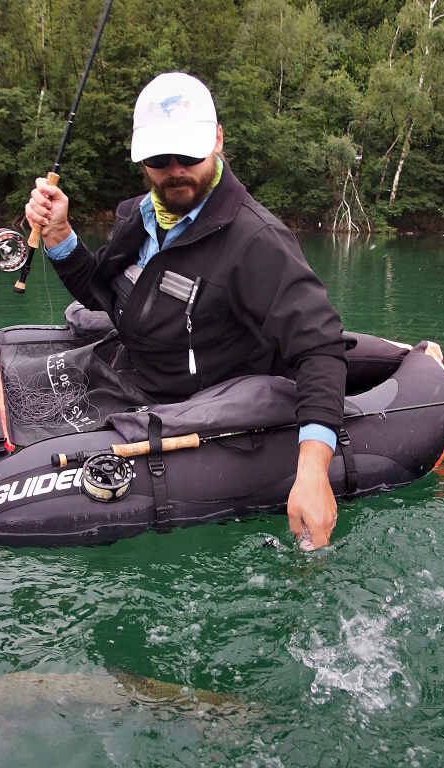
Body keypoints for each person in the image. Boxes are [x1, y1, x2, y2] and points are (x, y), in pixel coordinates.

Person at [25, 72, 349, 550]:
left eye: (189, 154)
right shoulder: (139, 215)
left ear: (217, 140)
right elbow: (106, 298)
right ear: (140, 158)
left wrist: (313, 473)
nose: (175, 169)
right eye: (159, 157)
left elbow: (320, 348)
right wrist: (58, 235)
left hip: (198, 405)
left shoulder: (257, 241)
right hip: (134, 373)